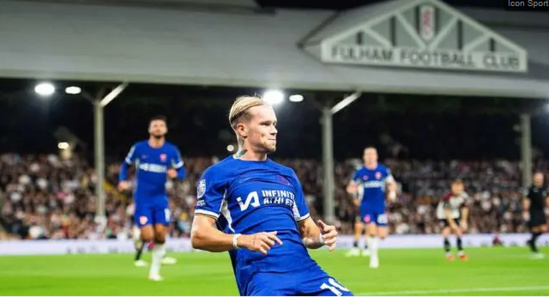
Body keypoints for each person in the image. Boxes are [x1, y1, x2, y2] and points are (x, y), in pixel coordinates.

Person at [190, 96, 353, 296]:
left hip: (307, 272)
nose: (274, 130)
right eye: (265, 124)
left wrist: (321, 236)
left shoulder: (287, 175)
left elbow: (307, 231)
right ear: (242, 130)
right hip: (263, 277)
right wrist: (243, 240)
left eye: (274, 124)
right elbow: (199, 235)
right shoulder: (219, 174)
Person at [118, 115, 186, 281]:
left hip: (160, 199)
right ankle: (141, 237)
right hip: (142, 199)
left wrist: (176, 173)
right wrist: (122, 181)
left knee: (161, 236)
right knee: (149, 236)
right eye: (155, 125)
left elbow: (182, 172)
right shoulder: (139, 148)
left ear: (166, 129)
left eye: (161, 125)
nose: (158, 128)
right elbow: (125, 165)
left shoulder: (171, 151)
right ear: (149, 129)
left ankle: (154, 271)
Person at [346, 147, 396, 268]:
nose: (370, 156)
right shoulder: (360, 172)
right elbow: (350, 187)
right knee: (371, 231)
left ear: (376, 156)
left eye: (372, 154)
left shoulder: (383, 171)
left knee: (382, 235)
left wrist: (392, 194)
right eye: (367, 154)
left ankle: (372, 250)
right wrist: (353, 194)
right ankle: (373, 257)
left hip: (380, 206)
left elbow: (392, 183)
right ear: (364, 157)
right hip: (366, 205)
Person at [436, 180, 469, 261]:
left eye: (460, 187)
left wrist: (464, 221)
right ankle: (448, 253)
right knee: (447, 231)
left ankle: (460, 253)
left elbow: (465, 208)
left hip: (454, 212)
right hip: (443, 214)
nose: (458, 189)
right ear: (452, 188)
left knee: (458, 231)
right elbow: (447, 212)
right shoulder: (447, 196)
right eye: (456, 187)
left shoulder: (464, 196)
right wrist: (452, 224)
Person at [522, 172, 549, 259]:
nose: (539, 180)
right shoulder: (530, 189)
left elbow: (547, 200)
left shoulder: (545, 189)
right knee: (535, 229)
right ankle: (534, 248)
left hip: (541, 211)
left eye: (540, 179)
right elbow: (526, 200)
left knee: (544, 229)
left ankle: (531, 241)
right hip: (533, 211)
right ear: (534, 179)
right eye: (537, 178)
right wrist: (525, 211)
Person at [345, 175, 369, 257]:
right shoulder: (358, 187)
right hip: (361, 210)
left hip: (366, 210)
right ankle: (356, 248)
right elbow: (351, 193)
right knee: (358, 228)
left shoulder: (364, 187)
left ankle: (366, 248)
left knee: (366, 228)